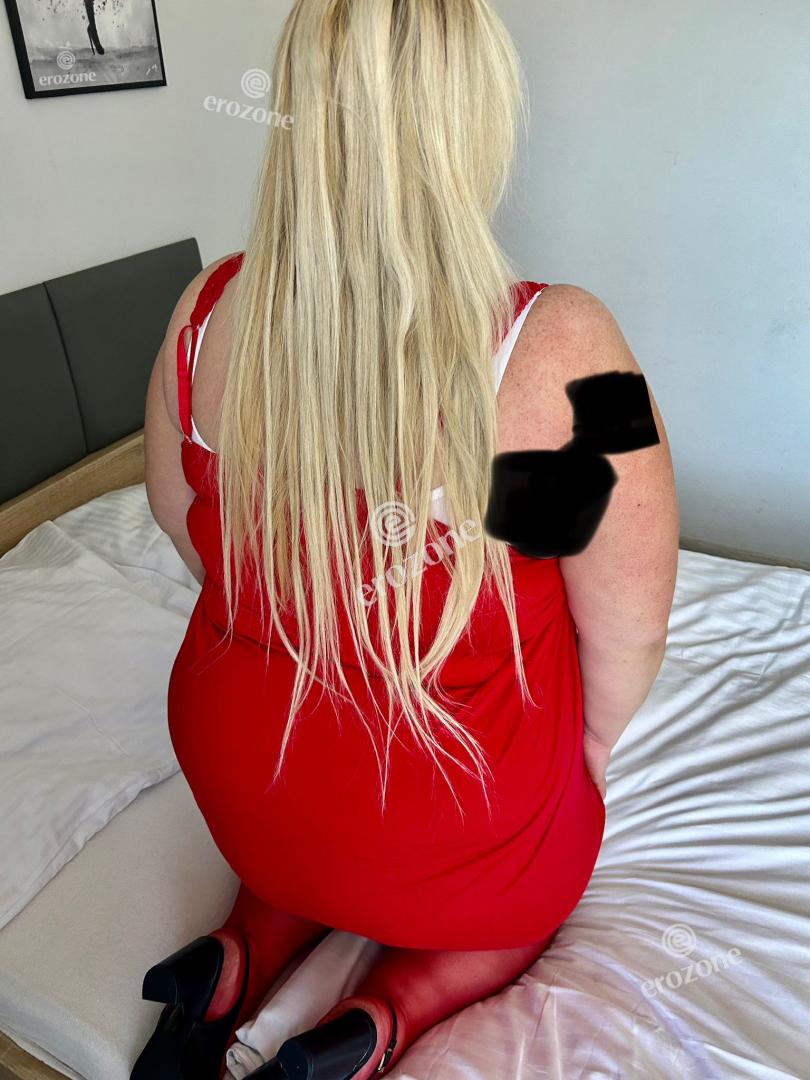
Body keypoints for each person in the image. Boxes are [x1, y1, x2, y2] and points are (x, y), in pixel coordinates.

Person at [140, 1, 679, 1077]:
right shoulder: (565, 349)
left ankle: (232, 958)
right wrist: (578, 767)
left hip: (241, 780)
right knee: (514, 894)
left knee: (310, 841)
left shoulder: (206, 310)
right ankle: (378, 1019)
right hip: (453, 818)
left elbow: (175, 517)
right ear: (473, 115)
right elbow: (629, 630)